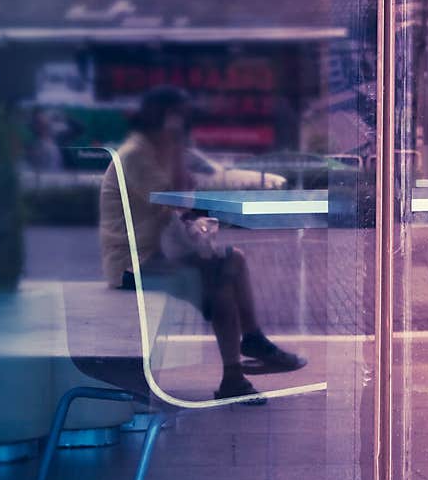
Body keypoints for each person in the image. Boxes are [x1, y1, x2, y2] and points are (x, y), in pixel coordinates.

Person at [99, 85, 306, 405]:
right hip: (134, 264)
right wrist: (179, 151)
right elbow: (176, 197)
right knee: (220, 284)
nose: (186, 125)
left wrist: (179, 152)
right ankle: (233, 376)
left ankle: (251, 338)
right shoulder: (136, 156)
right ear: (167, 118)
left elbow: (196, 186)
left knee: (233, 259)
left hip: (159, 254)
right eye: (181, 118)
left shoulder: (160, 150)